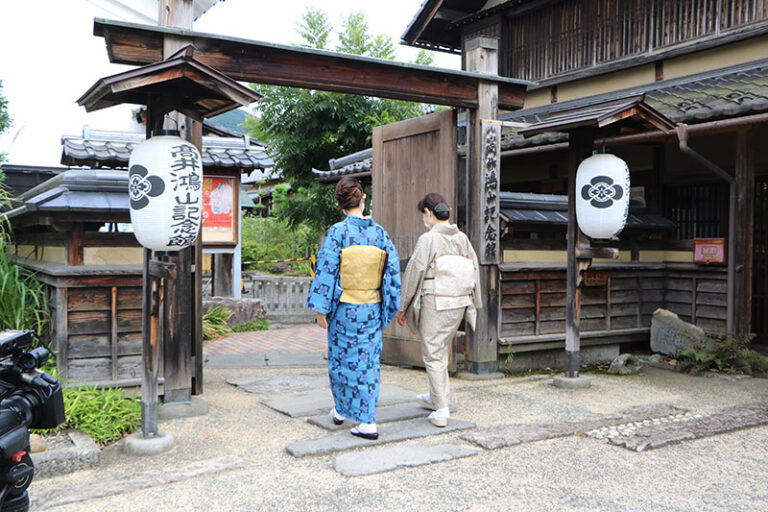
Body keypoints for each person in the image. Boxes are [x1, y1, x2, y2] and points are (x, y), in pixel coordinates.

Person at [306, 177, 401, 440]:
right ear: (363, 199)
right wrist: (390, 305)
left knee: (341, 360)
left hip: (344, 309)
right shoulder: (379, 233)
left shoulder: (338, 232)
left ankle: (342, 410)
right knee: (368, 363)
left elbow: (326, 272)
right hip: (371, 308)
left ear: (339, 203)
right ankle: (365, 419)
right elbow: (392, 273)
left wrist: (320, 310)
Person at [395, 193, 481, 427]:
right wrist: (476, 302)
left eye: (424, 214)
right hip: (459, 302)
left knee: (432, 351)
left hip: (437, 301)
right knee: (441, 349)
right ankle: (436, 396)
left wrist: (403, 305)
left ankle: (441, 410)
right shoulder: (462, 238)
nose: (424, 218)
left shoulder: (428, 239)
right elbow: (475, 269)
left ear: (429, 213)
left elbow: (415, 272)